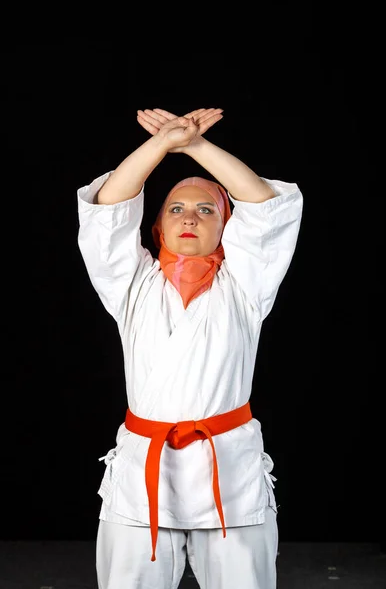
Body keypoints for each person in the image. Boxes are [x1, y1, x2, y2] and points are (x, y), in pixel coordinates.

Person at [76, 106, 303, 589]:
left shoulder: (245, 286)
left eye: (207, 210)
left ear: (227, 230)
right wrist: (162, 145)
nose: (190, 218)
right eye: (176, 208)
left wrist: (196, 145)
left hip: (227, 468)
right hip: (144, 472)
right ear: (157, 226)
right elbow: (107, 211)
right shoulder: (133, 285)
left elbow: (264, 206)